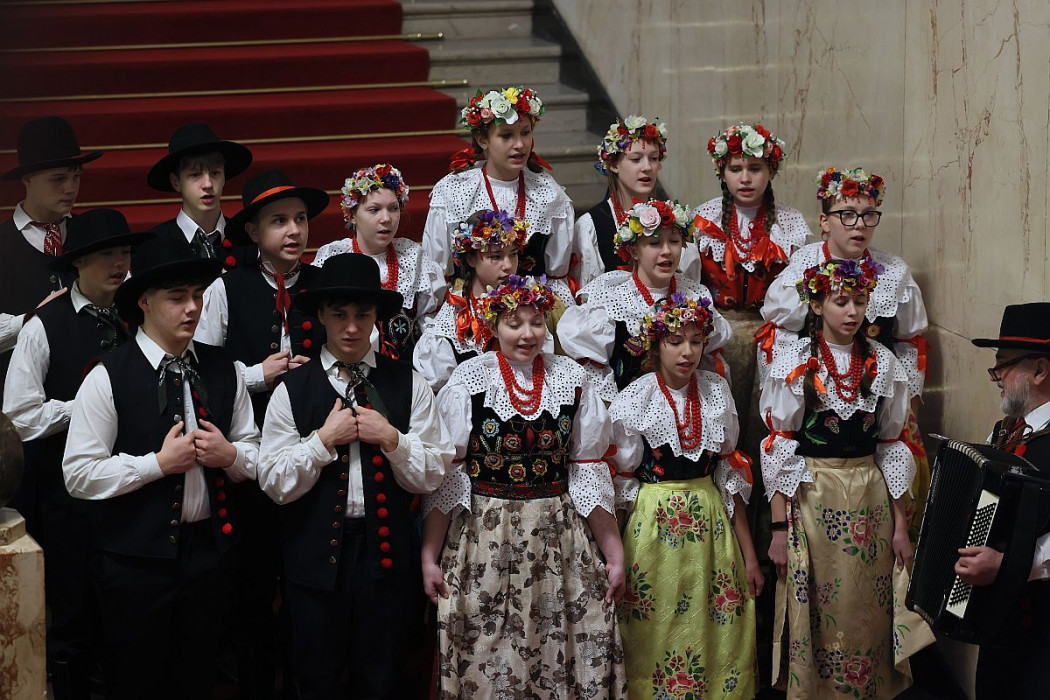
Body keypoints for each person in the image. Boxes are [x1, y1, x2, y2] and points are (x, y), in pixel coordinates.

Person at [62, 235, 261, 700]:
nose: (192, 308)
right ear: (145, 302)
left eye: (197, 296)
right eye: (177, 297)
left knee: (198, 679)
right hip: (132, 565)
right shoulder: (107, 375)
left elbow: (255, 452)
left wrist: (230, 456)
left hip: (209, 556)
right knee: (136, 682)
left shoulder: (224, 369)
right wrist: (156, 464)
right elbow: (79, 474)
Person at [256, 252, 453, 699]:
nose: (351, 327)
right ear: (322, 315)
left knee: (381, 679)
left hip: (386, 560)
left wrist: (392, 439)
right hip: (312, 560)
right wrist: (323, 441)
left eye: (362, 315)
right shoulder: (293, 389)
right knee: (315, 680)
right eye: (339, 314)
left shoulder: (409, 383)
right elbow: (273, 481)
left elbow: (432, 473)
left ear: (376, 318)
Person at [421, 275, 628, 697]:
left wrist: (613, 552)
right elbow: (449, 480)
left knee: (558, 647)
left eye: (537, 322)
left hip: (557, 539)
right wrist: (429, 556)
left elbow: (587, 471)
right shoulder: (469, 380)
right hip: (484, 540)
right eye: (514, 323)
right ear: (493, 325)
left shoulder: (571, 377)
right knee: (487, 653)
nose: (528, 334)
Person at [194, 167, 329, 698]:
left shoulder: (321, 285)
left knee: (306, 585)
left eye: (300, 219)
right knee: (251, 586)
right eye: (279, 221)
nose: (294, 230)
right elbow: (204, 369)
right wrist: (256, 374)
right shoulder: (226, 288)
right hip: (247, 459)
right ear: (252, 231)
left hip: (309, 458)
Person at [760, 258, 917, 697]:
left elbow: (891, 445)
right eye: (841, 301)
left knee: (866, 603)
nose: (852, 312)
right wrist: (778, 529)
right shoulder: (796, 360)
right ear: (816, 304)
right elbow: (778, 444)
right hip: (814, 493)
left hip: (869, 497)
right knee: (822, 599)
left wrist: (901, 526)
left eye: (860, 301)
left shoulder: (882, 362)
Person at [4, 208, 142, 699]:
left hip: (133, 490)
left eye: (124, 252)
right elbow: (19, 416)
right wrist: (84, 406)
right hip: (65, 498)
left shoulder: (141, 312)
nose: (119, 262)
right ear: (78, 263)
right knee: (71, 610)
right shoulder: (45, 325)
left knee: (126, 611)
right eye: (106, 254)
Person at [692, 122, 810, 692]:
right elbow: (689, 292)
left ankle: (773, 632)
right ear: (722, 170)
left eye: (756, 168)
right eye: (736, 168)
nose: (745, 178)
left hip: (772, 345)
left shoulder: (791, 225)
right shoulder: (701, 222)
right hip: (718, 348)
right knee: (725, 456)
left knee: (771, 459)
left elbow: (802, 293)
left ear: (771, 171)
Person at [760, 168, 931, 540]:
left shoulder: (893, 271)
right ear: (824, 221)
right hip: (815, 394)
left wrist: (909, 406)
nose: (860, 226)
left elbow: (910, 342)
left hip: (875, 390)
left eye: (869, 215)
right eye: (847, 215)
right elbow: (779, 337)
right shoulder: (803, 267)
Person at [609, 293, 761, 698]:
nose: (688, 352)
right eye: (675, 341)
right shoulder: (636, 398)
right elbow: (622, 486)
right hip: (652, 530)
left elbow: (730, 478)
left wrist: (749, 557)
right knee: (653, 630)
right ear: (656, 344)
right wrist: (614, 557)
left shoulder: (716, 391)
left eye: (696, 341)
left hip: (710, 530)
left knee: (715, 626)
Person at [959, 302, 1050, 699]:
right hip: (1003, 621)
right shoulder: (1007, 431)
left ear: (1040, 370)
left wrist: (1011, 564)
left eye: (1004, 365)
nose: (996, 376)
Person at [559, 198, 730, 401]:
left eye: (674, 241)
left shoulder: (695, 295)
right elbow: (594, 376)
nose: (667, 251)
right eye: (655, 243)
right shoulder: (611, 297)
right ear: (633, 250)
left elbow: (709, 361)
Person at [422, 86, 577, 305]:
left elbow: (557, 275)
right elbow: (437, 270)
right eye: (506, 135)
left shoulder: (549, 195)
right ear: (482, 139)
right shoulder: (453, 192)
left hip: (530, 310)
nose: (520, 145)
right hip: (470, 307)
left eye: (525, 133)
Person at [1, 116, 102, 403]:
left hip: (93, 403)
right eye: (58, 179)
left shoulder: (94, 236)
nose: (71, 188)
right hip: (16, 410)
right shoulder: (3, 243)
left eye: (76, 176)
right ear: (27, 178)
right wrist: (30, 319)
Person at [312, 163, 444, 360]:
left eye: (393, 208)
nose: (386, 218)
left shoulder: (412, 257)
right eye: (374, 210)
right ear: (353, 215)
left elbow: (429, 320)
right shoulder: (333, 256)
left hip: (403, 368)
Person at [413, 208, 544, 391]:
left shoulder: (526, 302)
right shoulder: (455, 317)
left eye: (513, 254)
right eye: (496, 256)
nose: (508, 266)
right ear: (471, 259)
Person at [574, 115, 668, 287]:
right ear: (613, 164)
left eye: (654, 158)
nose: (647, 167)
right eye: (636, 159)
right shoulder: (593, 225)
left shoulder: (670, 219)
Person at [147, 122, 253, 268]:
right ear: (176, 182)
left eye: (215, 173)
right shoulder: (154, 245)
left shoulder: (247, 240)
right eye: (195, 175)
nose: (208, 184)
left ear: (224, 177)